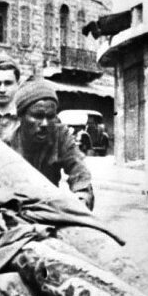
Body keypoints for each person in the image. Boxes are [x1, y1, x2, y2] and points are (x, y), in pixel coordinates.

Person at [10, 80, 95, 210]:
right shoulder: (5, 139)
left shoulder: (60, 135)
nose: (44, 123)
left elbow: (80, 174)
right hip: (13, 208)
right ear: (21, 116)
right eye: (37, 116)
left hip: (48, 208)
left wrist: (81, 203)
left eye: (50, 116)